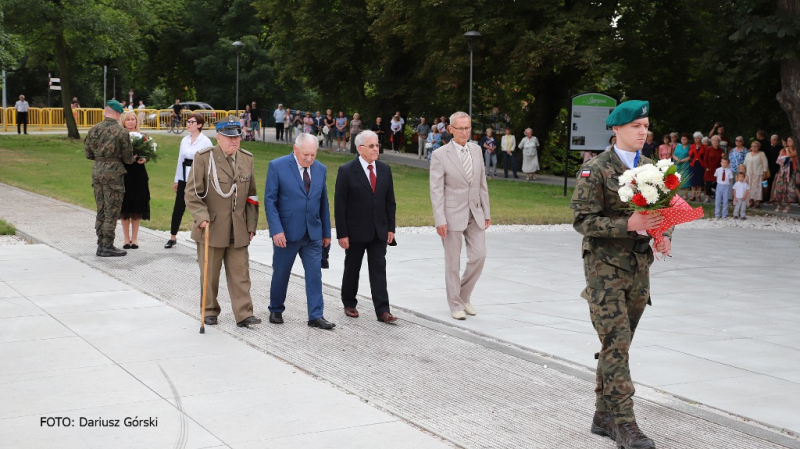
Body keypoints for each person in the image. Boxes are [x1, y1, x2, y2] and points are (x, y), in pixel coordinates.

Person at [570, 100, 666, 449]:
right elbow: (582, 221)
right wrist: (628, 224)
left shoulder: (655, 169)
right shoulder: (595, 169)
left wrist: (664, 235)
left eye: (646, 126)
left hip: (639, 270)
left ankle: (602, 415)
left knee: (615, 347)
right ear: (617, 129)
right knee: (618, 344)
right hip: (604, 271)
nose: (643, 132)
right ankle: (625, 423)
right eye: (636, 126)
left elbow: (663, 213)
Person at [184, 116, 261, 328]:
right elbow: (192, 193)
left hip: (238, 227)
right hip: (212, 225)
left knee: (241, 274)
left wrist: (251, 224)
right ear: (218, 137)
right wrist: (201, 217)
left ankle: (244, 314)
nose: (234, 141)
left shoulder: (247, 158)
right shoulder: (204, 158)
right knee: (209, 274)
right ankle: (209, 310)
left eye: (237, 137)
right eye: (229, 137)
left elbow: (251, 196)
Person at [265, 133, 335, 330]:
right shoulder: (277, 166)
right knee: (281, 272)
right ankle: (276, 309)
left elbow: (323, 201)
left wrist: (326, 232)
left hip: (313, 233)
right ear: (295, 149)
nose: (309, 159)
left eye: (313, 155)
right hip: (286, 233)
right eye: (305, 155)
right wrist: (276, 230)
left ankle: (316, 315)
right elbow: (270, 201)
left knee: (315, 275)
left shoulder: (320, 169)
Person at [429, 111, 491, 321]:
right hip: (451, 215)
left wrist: (487, 212)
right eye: (461, 128)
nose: (465, 132)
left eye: (468, 128)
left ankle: (463, 296)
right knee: (453, 263)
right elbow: (436, 191)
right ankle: (455, 304)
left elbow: (482, 182)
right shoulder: (440, 155)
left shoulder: (476, 150)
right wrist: (440, 220)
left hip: (476, 213)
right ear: (451, 130)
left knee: (479, 256)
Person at [334, 130, 398, 324]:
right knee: (352, 267)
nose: (376, 149)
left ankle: (383, 310)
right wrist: (342, 233)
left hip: (379, 231)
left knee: (379, 269)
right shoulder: (346, 170)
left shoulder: (385, 169)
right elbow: (340, 204)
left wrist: (390, 228)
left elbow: (390, 202)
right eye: (371, 146)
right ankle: (349, 303)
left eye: (377, 145)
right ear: (360, 148)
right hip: (355, 231)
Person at [84, 100, 135, 257]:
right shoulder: (121, 132)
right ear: (118, 114)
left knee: (101, 209)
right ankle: (107, 245)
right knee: (112, 210)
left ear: (106, 112)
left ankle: (100, 244)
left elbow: (88, 154)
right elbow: (127, 158)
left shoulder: (93, 130)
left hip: (97, 171)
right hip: (113, 173)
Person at [165, 113, 213, 248]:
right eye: (188, 121)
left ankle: (202, 240)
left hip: (198, 179)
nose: (188, 124)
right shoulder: (184, 140)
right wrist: (177, 179)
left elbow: (208, 163)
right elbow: (180, 160)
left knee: (199, 209)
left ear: (199, 125)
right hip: (184, 178)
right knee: (178, 207)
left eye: (192, 122)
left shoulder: (205, 141)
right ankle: (172, 236)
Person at [117, 111, 150, 248]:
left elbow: (148, 153)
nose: (131, 122)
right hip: (124, 173)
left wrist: (145, 158)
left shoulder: (143, 137)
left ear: (136, 121)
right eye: (128, 119)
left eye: (133, 119)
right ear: (123, 122)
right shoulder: (119, 136)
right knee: (125, 207)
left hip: (138, 173)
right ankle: (126, 239)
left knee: (137, 206)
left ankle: (135, 239)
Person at [773, 136, 798, 213]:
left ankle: (788, 206)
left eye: (790, 141)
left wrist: (787, 149)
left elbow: (789, 155)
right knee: (779, 187)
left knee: (789, 188)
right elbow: (779, 159)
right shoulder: (782, 150)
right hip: (783, 171)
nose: (788, 142)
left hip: (791, 172)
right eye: (787, 141)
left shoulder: (796, 150)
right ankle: (779, 205)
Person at [743, 140, 769, 209]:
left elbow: (765, 164)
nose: (754, 147)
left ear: (759, 147)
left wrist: (765, 173)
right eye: (753, 146)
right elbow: (744, 164)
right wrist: (743, 172)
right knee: (749, 188)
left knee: (758, 188)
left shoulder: (761, 154)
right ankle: (751, 201)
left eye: (756, 146)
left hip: (758, 173)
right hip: (749, 174)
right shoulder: (748, 154)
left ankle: (757, 202)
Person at [703, 135, 724, 202]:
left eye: (717, 141)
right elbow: (705, 159)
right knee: (708, 185)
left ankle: (718, 198)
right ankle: (707, 198)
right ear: (711, 142)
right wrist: (706, 167)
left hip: (718, 170)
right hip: (709, 169)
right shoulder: (708, 149)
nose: (715, 142)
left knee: (718, 185)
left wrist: (723, 157)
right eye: (714, 140)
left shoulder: (721, 150)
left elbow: (723, 161)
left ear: (719, 142)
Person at [687, 132, 706, 201]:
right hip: (693, 165)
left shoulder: (704, 147)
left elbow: (705, 157)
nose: (696, 139)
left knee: (700, 182)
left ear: (700, 139)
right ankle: (693, 196)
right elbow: (690, 155)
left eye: (697, 138)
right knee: (693, 181)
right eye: (695, 138)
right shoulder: (691, 146)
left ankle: (698, 196)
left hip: (701, 166)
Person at [765, 134, 783, 204]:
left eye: (776, 140)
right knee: (768, 183)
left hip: (777, 167)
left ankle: (775, 197)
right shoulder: (767, 148)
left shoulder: (780, 148)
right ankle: (767, 197)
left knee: (776, 183)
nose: (775, 141)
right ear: (770, 140)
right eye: (774, 140)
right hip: (769, 168)